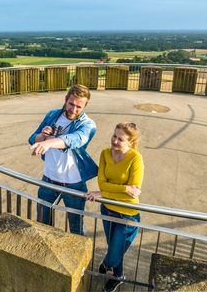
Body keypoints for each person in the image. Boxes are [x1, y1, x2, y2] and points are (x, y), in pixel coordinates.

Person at [29, 84, 98, 235]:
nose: (73, 110)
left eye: (79, 107)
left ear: (85, 106)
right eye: (71, 104)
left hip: (73, 184)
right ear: (66, 99)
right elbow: (32, 138)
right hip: (48, 180)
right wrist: (42, 136)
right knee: (42, 223)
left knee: (76, 227)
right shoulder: (52, 115)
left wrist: (47, 143)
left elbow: (74, 139)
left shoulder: (88, 125)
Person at [86, 122, 144, 292]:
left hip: (128, 215)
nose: (115, 141)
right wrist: (123, 188)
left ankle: (107, 265)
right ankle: (119, 276)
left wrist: (104, 192)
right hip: (108, 209)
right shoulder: (105, 153)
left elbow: (133, 192)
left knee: (112, 257)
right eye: (114, 136)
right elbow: (102, 183)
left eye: (120, 139)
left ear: (130, 142)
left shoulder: (135, 158)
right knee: (114, 248)